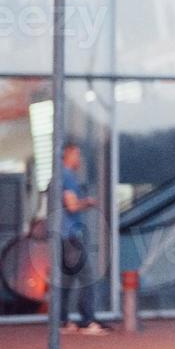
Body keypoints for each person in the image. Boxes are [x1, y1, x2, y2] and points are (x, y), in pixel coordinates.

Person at [58, 141, 109, 334]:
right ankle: (87, 320)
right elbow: (71, 206)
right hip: (71, 236)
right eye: (77, 155)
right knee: (88, 277)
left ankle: (62, 320)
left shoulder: (59, 177)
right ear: (68, 155)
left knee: (66, 280)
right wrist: (86, 202)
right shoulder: (68, 177)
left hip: (63, 237)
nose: (79, 159)